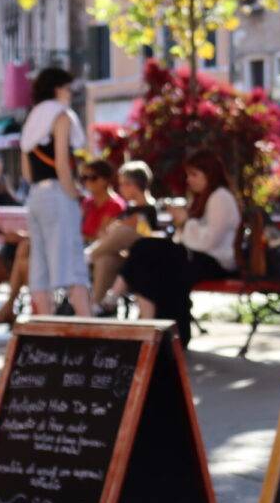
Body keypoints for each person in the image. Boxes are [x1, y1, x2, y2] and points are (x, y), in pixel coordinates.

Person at [104, 150, 239, 344]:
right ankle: (148, 323)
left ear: (209, 174)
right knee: (145, 252)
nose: (189, 180)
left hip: (215, 262)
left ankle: (132, 308)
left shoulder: (220, 197)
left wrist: (184, 222)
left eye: (194, 174)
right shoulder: (203, 197)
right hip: (196, 257)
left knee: (145, 248)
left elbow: (209, 241)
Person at [20, 67, 92, 316]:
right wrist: (74, 193)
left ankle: (44, 326)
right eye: (68, 88)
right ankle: (90, 328)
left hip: (36, 196)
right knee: (73, 263)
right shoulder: (61, 116)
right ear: (58, 88)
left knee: (39, 268)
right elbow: (62, 162)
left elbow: (27, 173)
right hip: (58, 194)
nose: (70, 93)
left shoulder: (32, 119)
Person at [90, 160, 157, 313]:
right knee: (104, 259)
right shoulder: (128, 209)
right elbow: (110, 232)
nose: (121, 188)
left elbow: (146, 234)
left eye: (125, 184)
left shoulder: (151, 209)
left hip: (141, 263)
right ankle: (96, 305)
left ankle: (88, 256)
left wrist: (122, 226)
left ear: (135, 184)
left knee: (123, 231)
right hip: (125, 260)